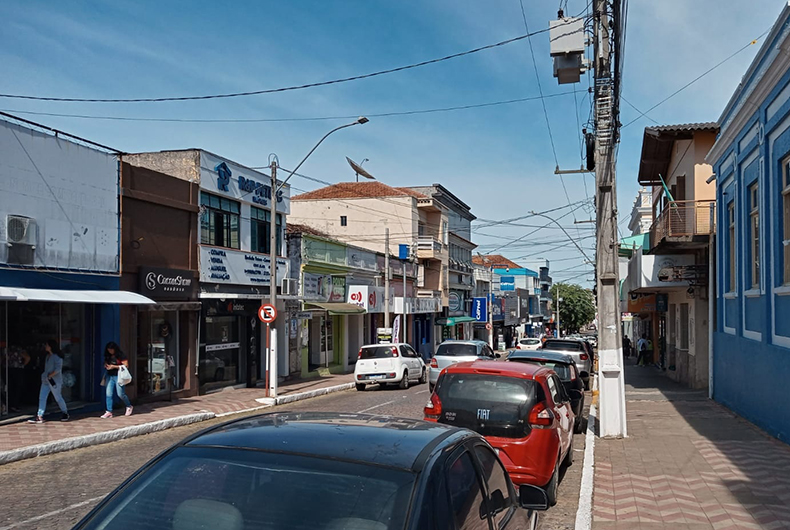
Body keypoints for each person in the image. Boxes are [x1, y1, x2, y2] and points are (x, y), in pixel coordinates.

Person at [27, 340, 69, 423]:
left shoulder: (57, 357)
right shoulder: (48, 356)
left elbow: (58, 369)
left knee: (58, 397)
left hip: (54, 381)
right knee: (42, 397)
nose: (45, 346)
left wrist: (50, 375)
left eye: (47, 345)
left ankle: (65, 412)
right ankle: (39, 415)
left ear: (51, 346)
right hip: (46, 380)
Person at [102, 342, 133, 418]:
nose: (110, 351)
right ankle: (109, 411)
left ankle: (129, 405)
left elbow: (126, 365)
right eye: (109, 350)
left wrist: (114, 366)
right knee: (108, 394)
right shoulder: (108, 356)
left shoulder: (120, 355)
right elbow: (105, 362)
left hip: (118, 376)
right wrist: (106, 365)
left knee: (120, 394)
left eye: (111, 350)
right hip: (110, 375)